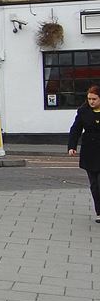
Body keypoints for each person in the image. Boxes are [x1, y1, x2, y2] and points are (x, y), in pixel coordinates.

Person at [68, 85, 100, 223]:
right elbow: (75, 129)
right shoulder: (83, 111)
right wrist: (72, 146)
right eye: (89, 99)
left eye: (94, 99)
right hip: (90, 152)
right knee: (94, 185)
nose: (91, 101)